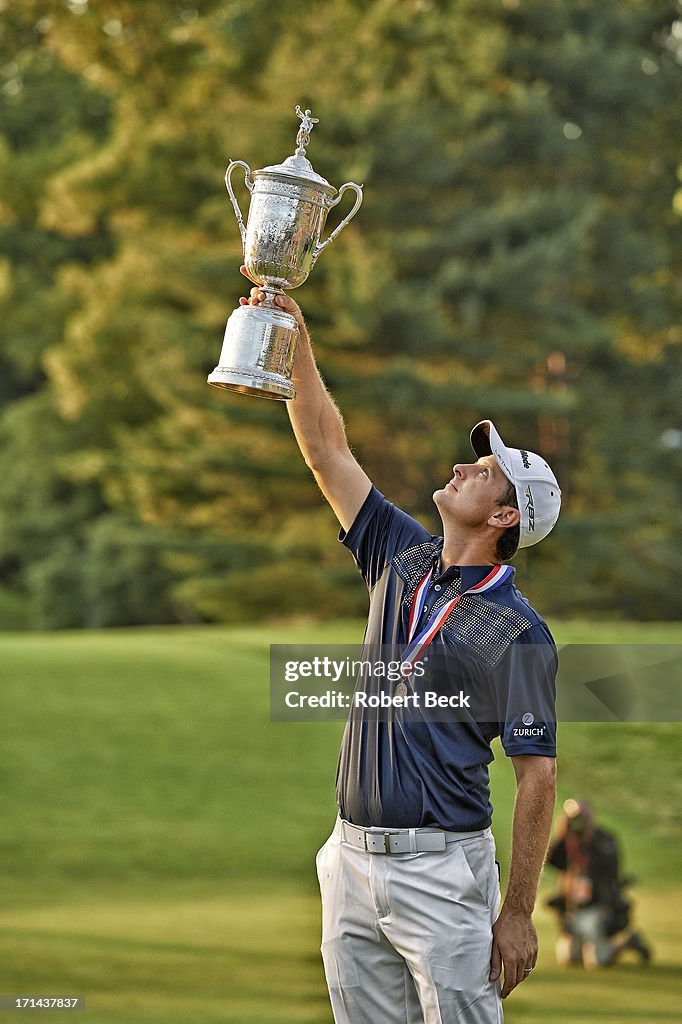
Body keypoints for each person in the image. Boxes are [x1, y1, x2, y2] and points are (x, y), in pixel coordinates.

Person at [240, 271, 562, 1023]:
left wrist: (516, 912)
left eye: (481, 473)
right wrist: (295, 337)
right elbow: (326, 446)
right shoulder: (401, 555)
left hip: (443, 873)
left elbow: (538, 777)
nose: (461, 466)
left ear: (505, 515)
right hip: (348, 861)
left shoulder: (518, 629)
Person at [546, 799, 652, 969]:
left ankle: (627, 942)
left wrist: (589, 839)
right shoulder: (568, 841)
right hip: (573, 908)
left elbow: (612, 869)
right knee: (569, 959)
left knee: (596, 962)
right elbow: (550, 859)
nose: (578, 823)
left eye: (582, 817)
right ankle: (589, 944)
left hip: (596, 907)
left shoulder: (604, 840)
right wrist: (561, 834)